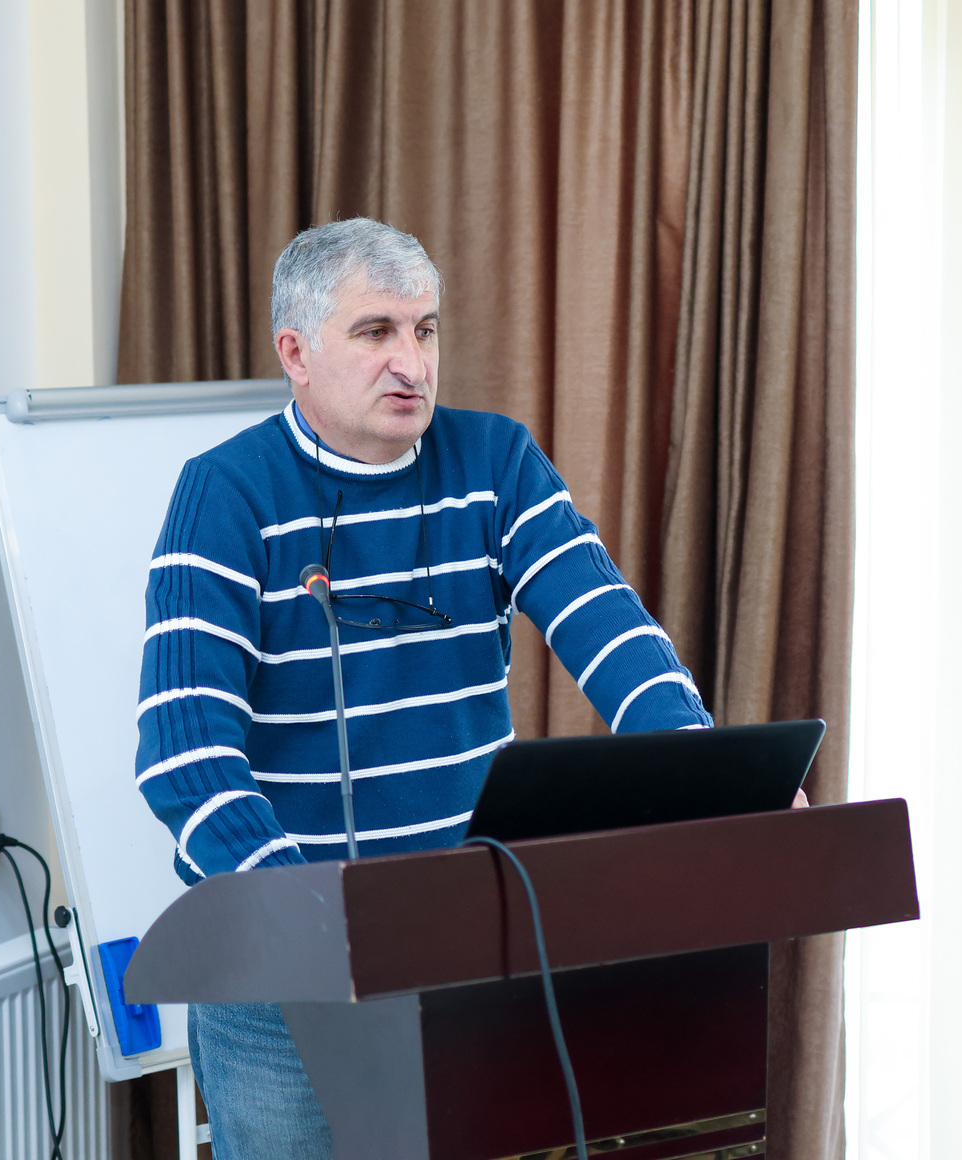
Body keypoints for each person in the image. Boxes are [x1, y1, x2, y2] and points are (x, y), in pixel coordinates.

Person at [133, 217, 718, 1158]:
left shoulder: (495, 464)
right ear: (296, 353)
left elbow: (609, 629)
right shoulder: (225, 495)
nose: (411, 363)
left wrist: (709, 776)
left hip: (460, 943)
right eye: (376, 332)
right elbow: (184, 754)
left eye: (426, 329)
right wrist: (310, 912)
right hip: (282, 968)